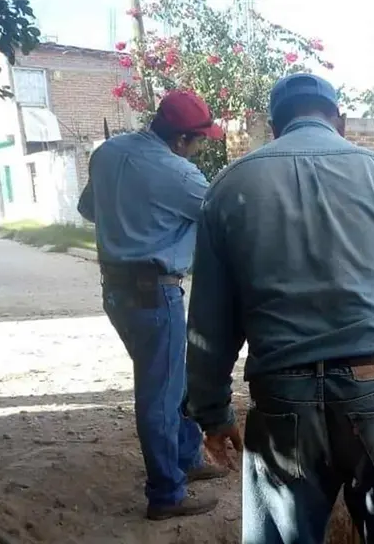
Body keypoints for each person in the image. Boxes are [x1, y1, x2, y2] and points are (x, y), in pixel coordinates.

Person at [185, 73, 374, 543]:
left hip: (284, 400)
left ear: (273, 125)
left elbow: (209, 322)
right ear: (339, 120)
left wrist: (212, 412)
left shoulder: (230, 188)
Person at [77, 89, 232, 521]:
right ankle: (166, 494)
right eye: (200, 140)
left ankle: (185, 455)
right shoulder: (180, 175)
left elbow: (89, 208)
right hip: (154, 292)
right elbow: (225, 220)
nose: (201, 147)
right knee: (160, 394)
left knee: (169, 378)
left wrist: (132, 213)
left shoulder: (108, 152)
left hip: (118, 292)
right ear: (181, 138)